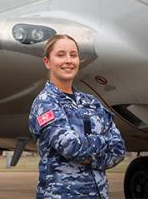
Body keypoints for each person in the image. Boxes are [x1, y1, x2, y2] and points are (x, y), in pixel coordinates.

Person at [28, 34, 126, 198]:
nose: (68, 60)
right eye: (61, 55)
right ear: (47, 62)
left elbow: (119, 150)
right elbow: (71, 146)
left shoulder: (91, 102)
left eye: (73, 55)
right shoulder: (45, 103)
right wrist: (104, 143)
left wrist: (89, 158)